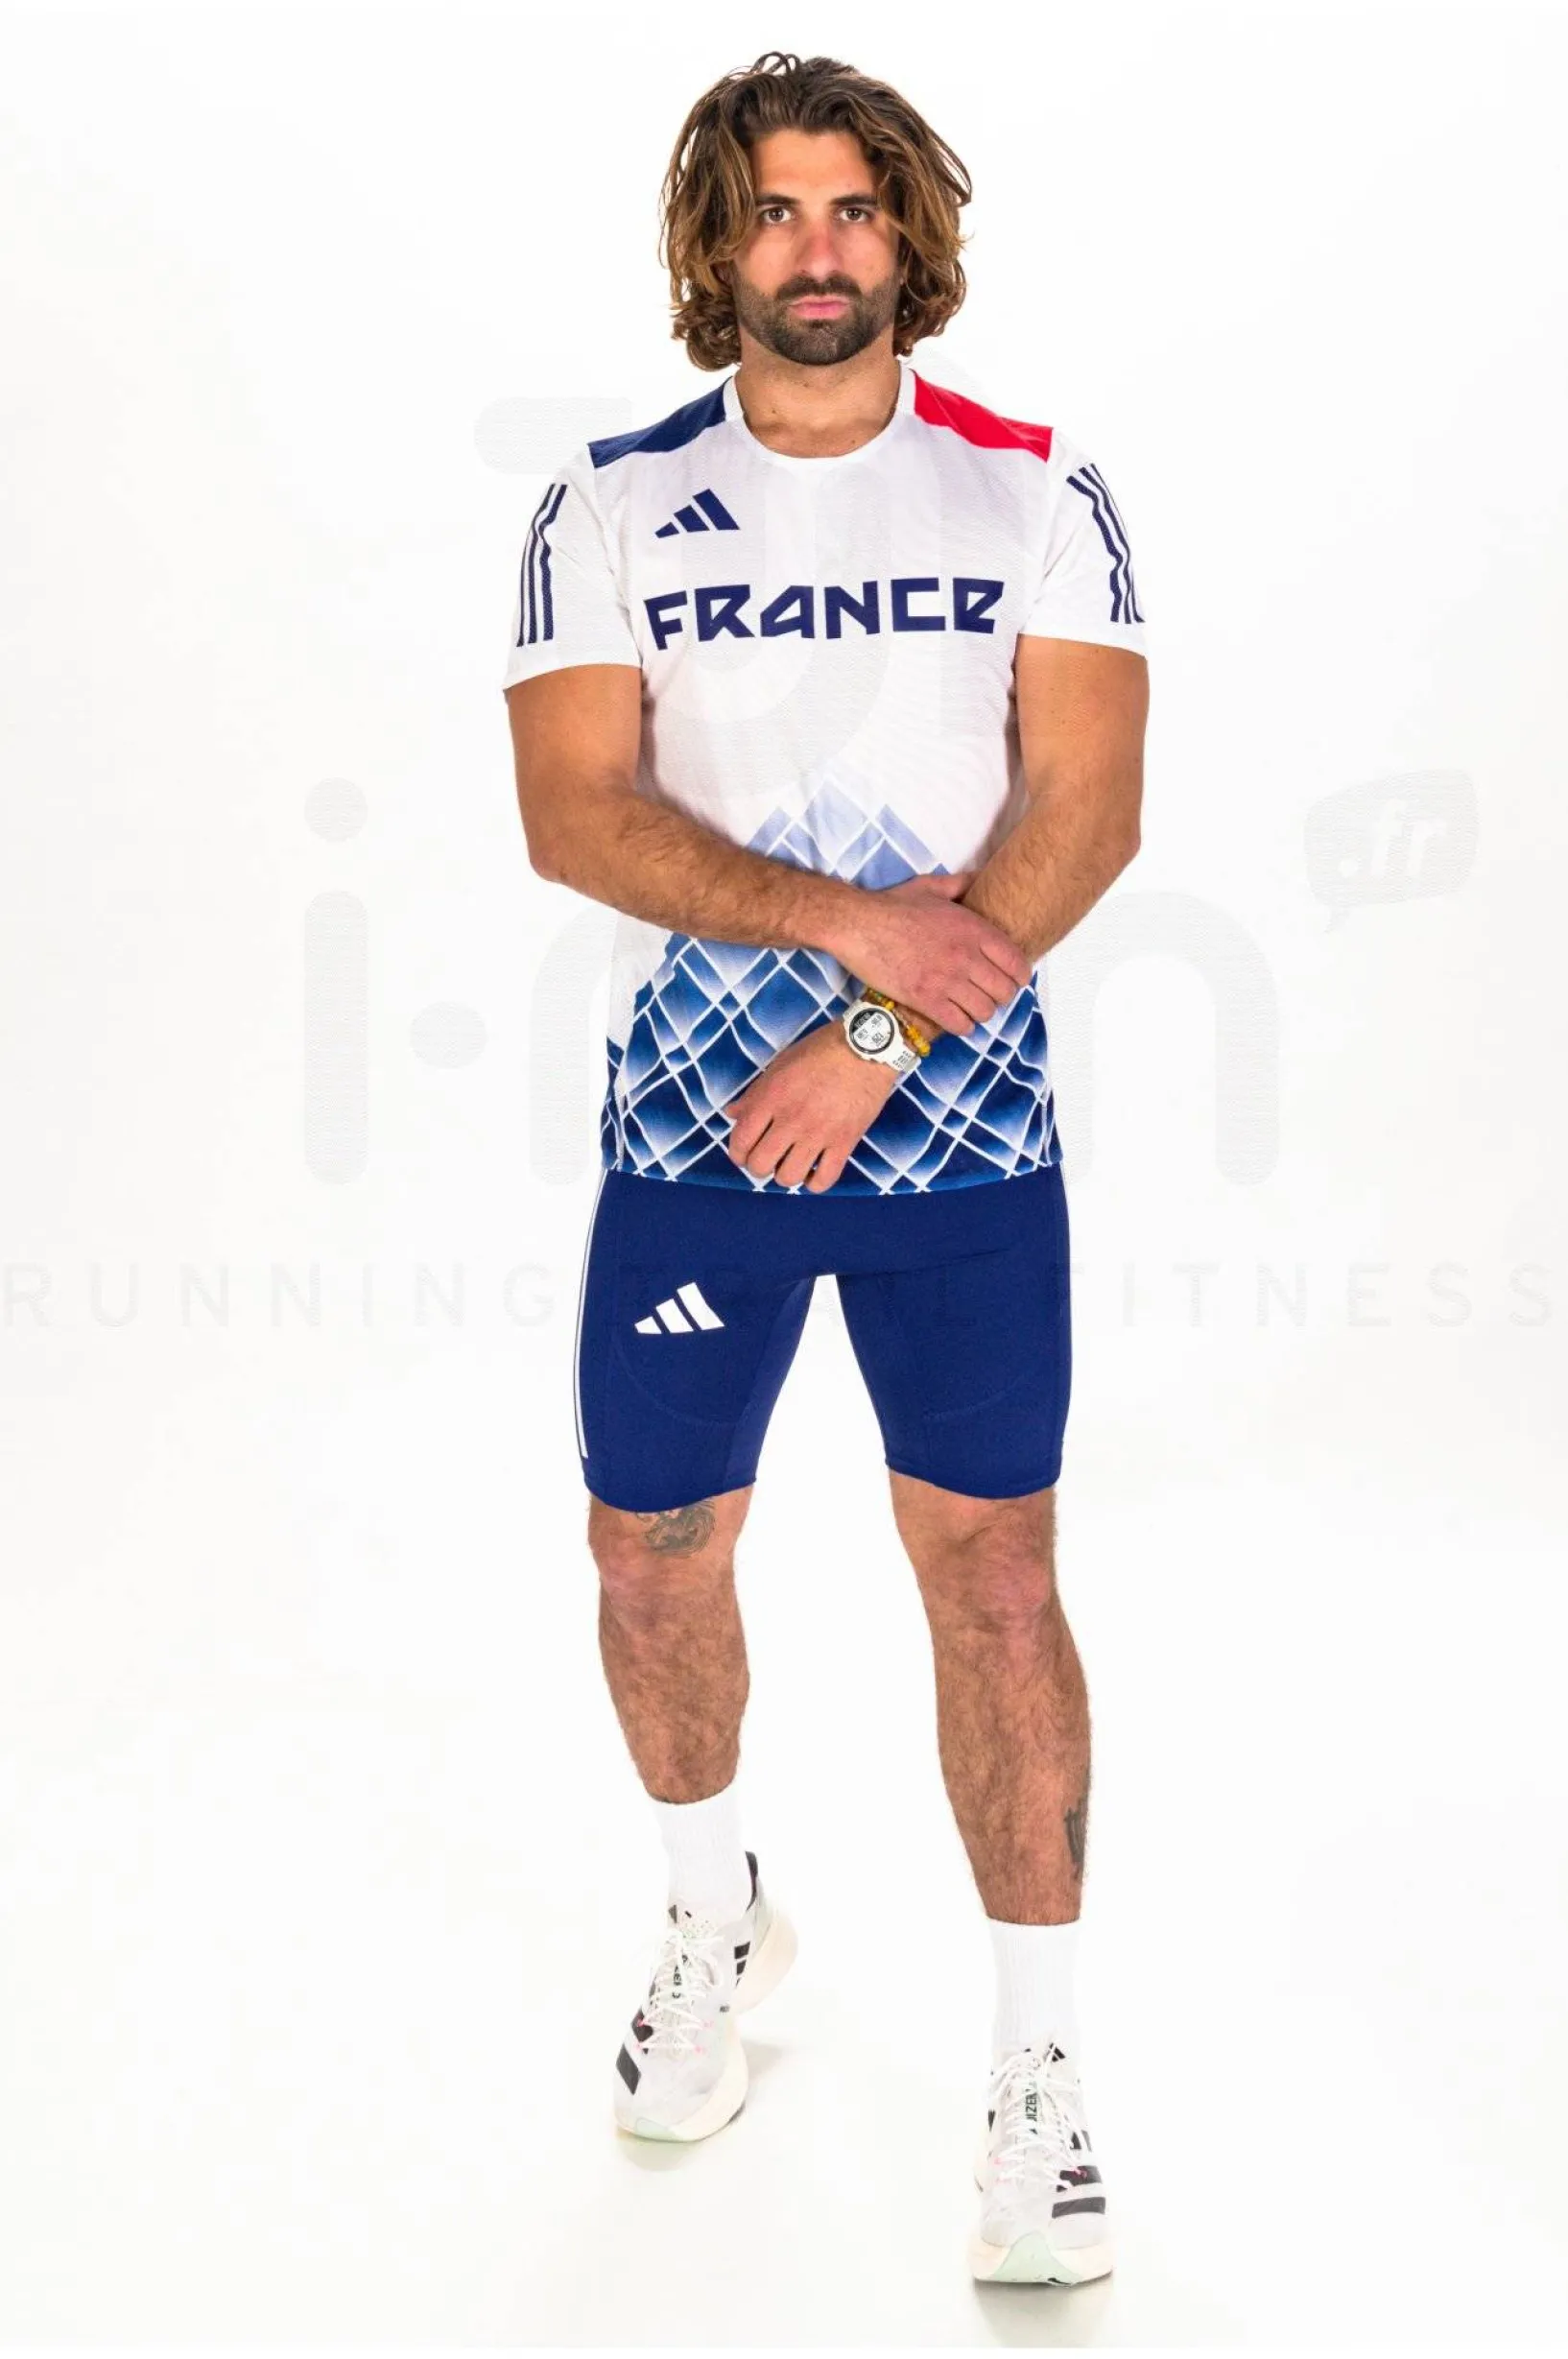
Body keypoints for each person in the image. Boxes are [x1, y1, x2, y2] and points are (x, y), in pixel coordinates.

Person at [501, 50, 1149, 2286]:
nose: (815, 247)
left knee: (995, 1580)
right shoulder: (607, 503)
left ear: (908, 236)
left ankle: (1041, 2077)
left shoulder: (1034, 485)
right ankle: (715, 1917)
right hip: (698, 1135)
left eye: (853, 207)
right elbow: (574, 812)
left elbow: (1084, 810)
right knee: (649, 1551)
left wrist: (873, 1028)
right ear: (719, 242)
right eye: (774, 209)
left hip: (958, 1134)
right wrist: (844, 931)